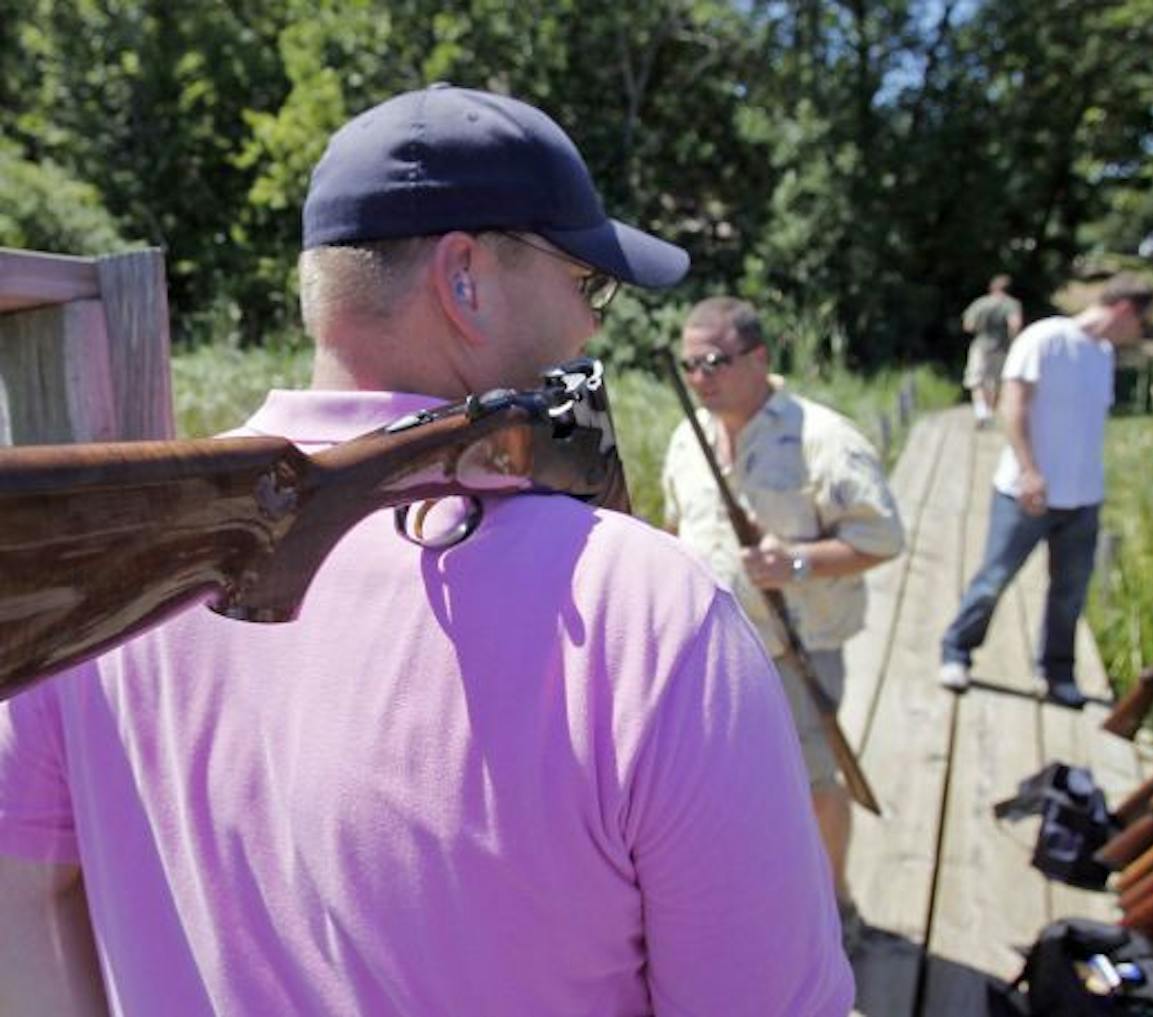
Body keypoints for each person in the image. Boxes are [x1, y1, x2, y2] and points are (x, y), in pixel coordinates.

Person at [0, 85, 854, 1016]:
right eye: (586, 282)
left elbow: (20, 912)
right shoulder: (653, 616)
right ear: (463, 280)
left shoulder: (115, 568)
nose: (592, 326)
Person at [661, 297, 905, 955]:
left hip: (798, 652)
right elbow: (678, 524)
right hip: (707, 646)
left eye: (714, 361)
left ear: (759, 357)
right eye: (690, 365)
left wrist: (794, 561)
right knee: (719, 787)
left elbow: (883, 535)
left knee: (814, 784)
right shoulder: (689, 437)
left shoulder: (825, 438)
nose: (701, 377)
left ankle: (833, 907)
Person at [937, 273, 1153, 707]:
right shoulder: (1046, 338)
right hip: (1026, 492)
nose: (1142, 334)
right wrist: (1029, 471)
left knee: (1069, 593)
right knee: (994, 580)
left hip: (1083, 498)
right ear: (1125, 309)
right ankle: (956, 651)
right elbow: (1012, 404)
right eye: (1143, 322)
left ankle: (1057, 673)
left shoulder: (1103, 355)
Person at [960, 274, 1024, 428]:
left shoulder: (981, 303)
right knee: (994, 381)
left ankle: (980, 412)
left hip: (981, 345)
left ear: (992, 288)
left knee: (976, 380)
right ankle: (989, 413)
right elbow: (1015, 324)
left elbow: (968, 325)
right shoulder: (1011, 304)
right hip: (1001, 347)